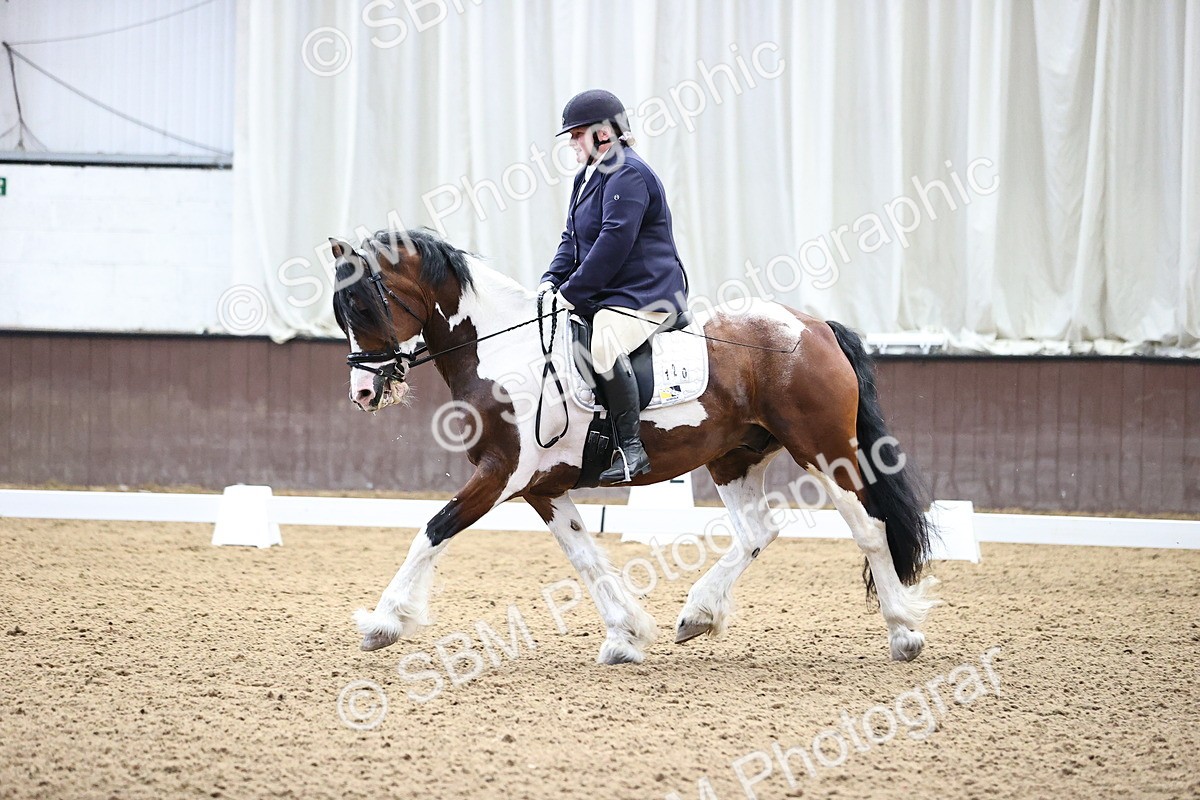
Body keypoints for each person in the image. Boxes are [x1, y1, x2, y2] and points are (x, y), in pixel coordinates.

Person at [538, 89, 688, 485]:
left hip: (648, 294)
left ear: (604, 134)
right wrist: (550, 281)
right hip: (611, 293)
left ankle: (631, 449)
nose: (572, 142)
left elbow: (613, 243)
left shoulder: (629, 173)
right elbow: (571, 238)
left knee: (604, 341)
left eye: (577, 134)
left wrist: (570, 293)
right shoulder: (585, 178)